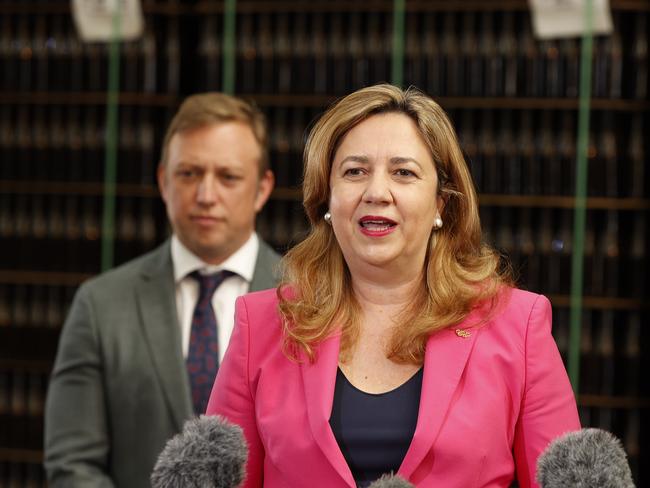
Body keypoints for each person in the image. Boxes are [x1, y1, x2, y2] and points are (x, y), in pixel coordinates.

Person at [206, 84, 580, 488]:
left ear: (441, 202)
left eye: (403, 173)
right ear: (327, 199)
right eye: (354, 172)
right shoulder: (260, 325)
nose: (376, 192)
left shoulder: (518, 326)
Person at [44, 93, 281, 488]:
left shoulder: (311, 299)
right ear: (163, 181)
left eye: (228, 177)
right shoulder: (101, 305)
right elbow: (73, 465)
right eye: (188, 173)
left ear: (262, 189)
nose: (206, 195)